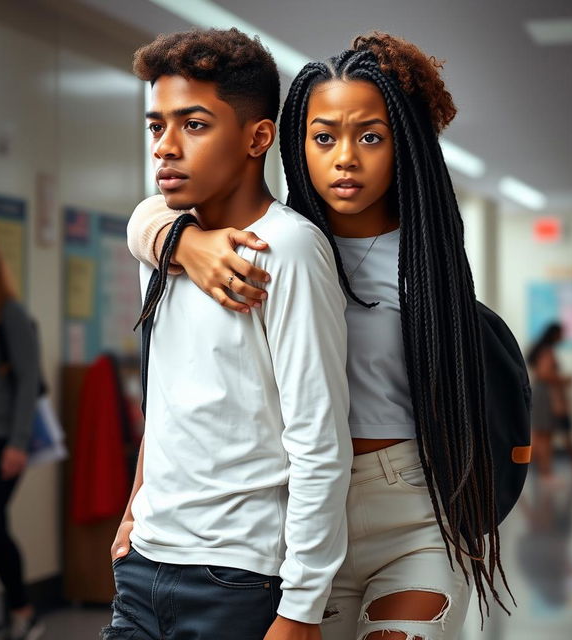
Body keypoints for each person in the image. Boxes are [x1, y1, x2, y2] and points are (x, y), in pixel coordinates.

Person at [127, 32, 517, 640]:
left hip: (414, 518)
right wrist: (179, 239)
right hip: (299, 524)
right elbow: (149, 214)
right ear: (293, 145)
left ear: (402, 145)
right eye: (323, 137)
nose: (345, 159)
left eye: (370, 137)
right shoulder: (273, 245)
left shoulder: (427, 267)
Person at [103, 28, 352, 640]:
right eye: (155, 126)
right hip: (143, 567)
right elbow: (167, 398)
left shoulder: (287, 249)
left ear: (257, 136)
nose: (164, 147)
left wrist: (302, 606)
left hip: (236, 577)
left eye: (193, 124)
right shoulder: (164, 245)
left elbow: (319, 441)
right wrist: (138, 507)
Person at [0, 236, 44, 640]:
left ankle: (23, 608)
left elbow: (28, 383)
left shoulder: (8, 314)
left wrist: (18, 443)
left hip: (1, 439)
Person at [527, 322, 572, 481]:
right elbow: (544, 374)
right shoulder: (547, 351)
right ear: (554, 334)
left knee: (542, 435)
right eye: (561, 333)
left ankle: (543, 471)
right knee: (544, 435)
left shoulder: (543, 350)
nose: (563, 337)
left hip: (542, 394)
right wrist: (564, 380)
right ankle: (546, 473)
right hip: (544, 395)